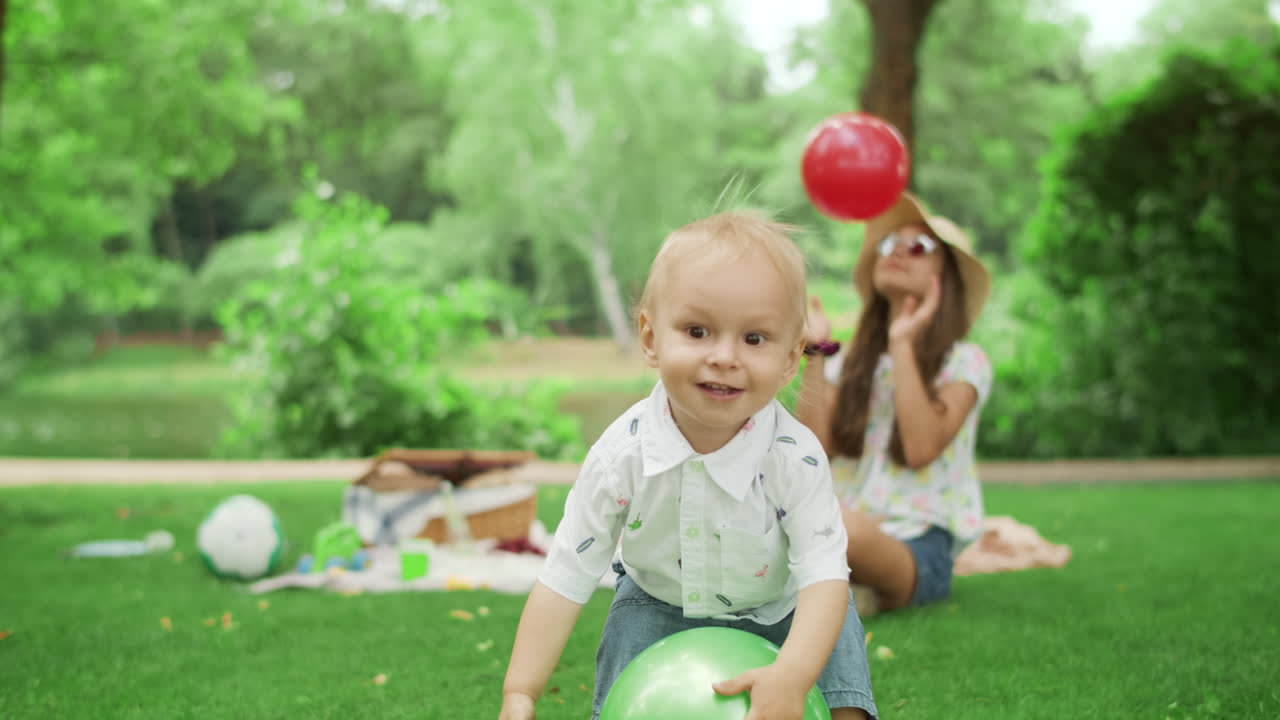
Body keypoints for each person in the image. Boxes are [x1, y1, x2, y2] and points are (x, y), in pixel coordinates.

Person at [499, 210, 877, 720]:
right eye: (697, 331)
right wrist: (519, 693)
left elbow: (824, 574)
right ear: (652, 339)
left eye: (754, 338)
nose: (724, 356)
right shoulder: (621, 456)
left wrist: (792, 675)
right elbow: (566, 573)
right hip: (660, 606)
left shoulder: (795, 455)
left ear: (791, 360)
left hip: (786, 609)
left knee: (838, 685)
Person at [796, 192, 993, 613]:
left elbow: (922, 447)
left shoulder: (965, 362)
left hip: (917, 549)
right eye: (888, 244)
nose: (896, 252)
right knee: (798, 513)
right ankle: (844, 592)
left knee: (833, 525)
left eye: (918, 247)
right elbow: (812, 451)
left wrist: (902, 342)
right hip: (840, 532)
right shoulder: (848, 360)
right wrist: (813, 355)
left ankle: (839, 590)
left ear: (948, 276)